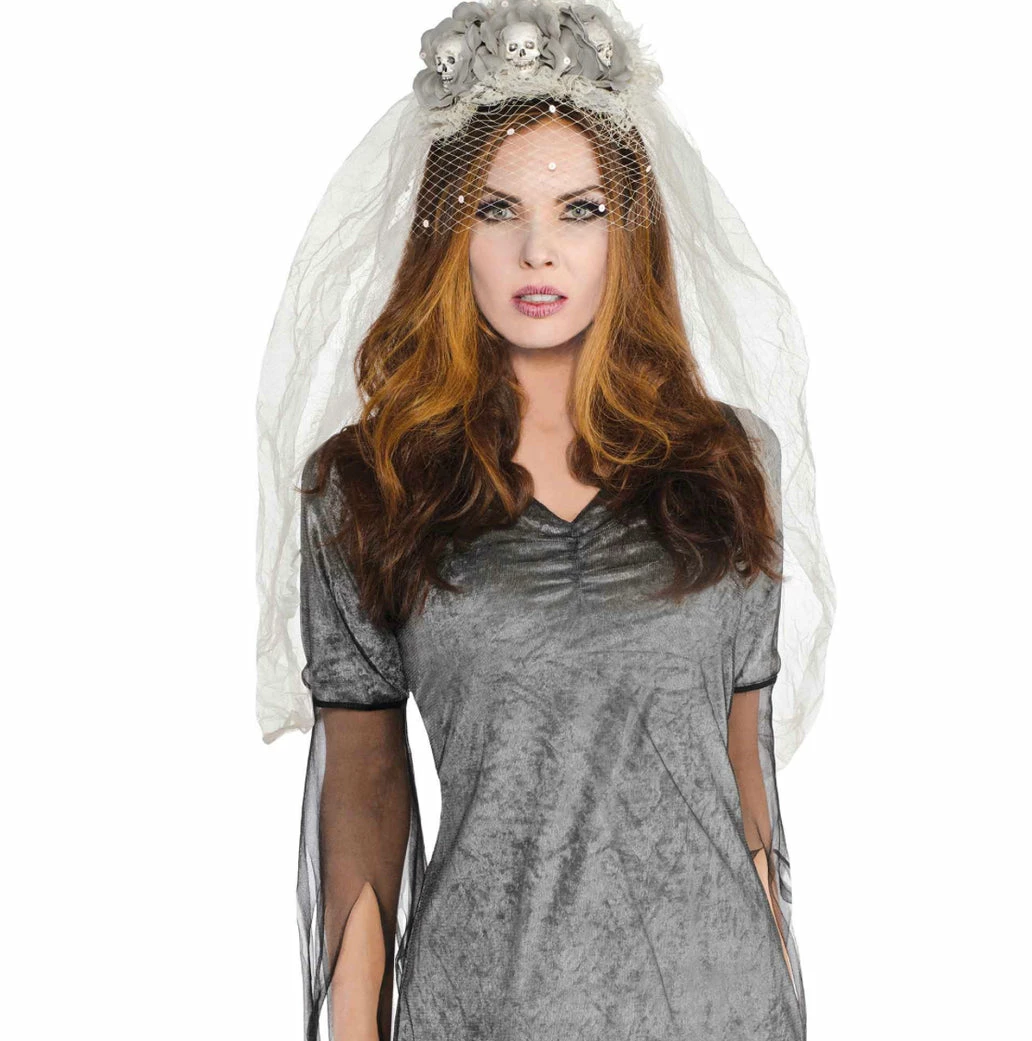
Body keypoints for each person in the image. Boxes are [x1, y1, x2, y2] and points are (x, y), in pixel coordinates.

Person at [256, 3, 836, 1039]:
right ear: (447, 232)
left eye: (580, 210)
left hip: (720, 1003)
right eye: (496, 210)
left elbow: (745, 774)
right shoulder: (368, 486)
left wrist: (785, 996)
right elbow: (364, 793)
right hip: (489, 1006)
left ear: (629, 231)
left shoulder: (729, 465)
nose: (538, 251)